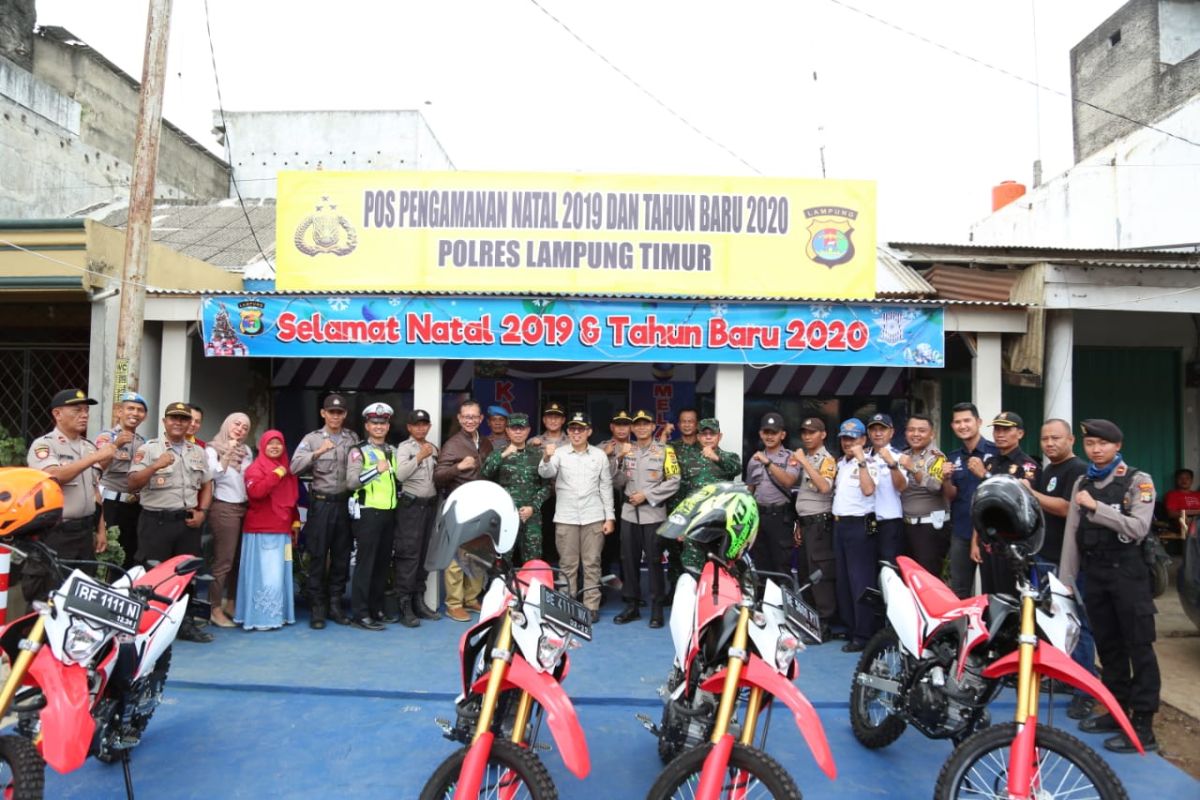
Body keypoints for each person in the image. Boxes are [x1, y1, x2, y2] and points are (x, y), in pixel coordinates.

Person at [1059, 419, 1161, 754]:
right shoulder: (1083, 482)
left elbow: (1139, 528)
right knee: (1109, 647)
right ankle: (1117, 712)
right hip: (1096, 575)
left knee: (1139, 648)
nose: (1096, 450)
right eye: (1090, 444)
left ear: (1118, 446)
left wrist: (1097, 507)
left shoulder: (1138, 481)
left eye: (1103, 444)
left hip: (1129, 576)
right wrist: (1066, 582)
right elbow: (1073, 533)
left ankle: (1143, 725)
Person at [127, 401, 214, 643]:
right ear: (164, 422)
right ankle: (149, 626)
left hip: (187, 524)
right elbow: (132, 483)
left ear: (189, 424)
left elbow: (207, 484)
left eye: (183, 419)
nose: (178, 423)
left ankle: (184, 624)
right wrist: (156, 465)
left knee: (186, 576)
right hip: (156, 522)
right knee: (152, 575)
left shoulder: (197, 452)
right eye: (173, 418)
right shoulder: (149, 449)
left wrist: (203, 511)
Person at [1027, 418, 1093, 719]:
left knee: (1078, 625)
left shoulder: (1077, 469)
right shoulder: (1049, 470)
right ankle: (1066, 676)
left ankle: (1085, 690)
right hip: (1045, 555)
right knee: (1056, 621)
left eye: (1056, 438)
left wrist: (1031, 493)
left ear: (1071, 440)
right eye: (1045, 439)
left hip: (1069, 562)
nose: (1050, 443)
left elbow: (1067, 508)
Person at [23, 389, 112, 601]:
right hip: (57, 533)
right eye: (77, 410)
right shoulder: (45, 445)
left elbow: (95, 490)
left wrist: (101, 529)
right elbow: (54, 476)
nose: (84, 415)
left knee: (80, 595)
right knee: (50, 593)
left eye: (86, 410)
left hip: (84, 532)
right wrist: (95, 458)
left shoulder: (88, 447)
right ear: (57, 414)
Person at [291, 393, 360, 629]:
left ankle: (335, 605)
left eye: (339, 412)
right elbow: (294, 467)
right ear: (323, 413)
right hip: (321, 504)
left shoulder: (352, 438)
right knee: (318, 556)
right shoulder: (311, 439)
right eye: (331, 412)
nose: (335, 416)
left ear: (345, 415)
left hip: (344, 504)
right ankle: (317, 608)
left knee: (342, 556)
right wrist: (318, 452)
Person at [538, 411, 616, 622]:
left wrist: (609, 517)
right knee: (567, 564)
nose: (576, 433)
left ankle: (591, 606)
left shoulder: (599, 455)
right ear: (568, 431)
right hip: (566, 517)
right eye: (573, 429)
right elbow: (546, 473)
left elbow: (605, 487)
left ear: (589, 431)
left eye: (581, 429)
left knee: (592, 563)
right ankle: (567, 603)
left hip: (593, 516)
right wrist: (546, 457)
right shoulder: (559, 453)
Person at [612, 410, 680, 627]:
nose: (641, 427)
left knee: (654, 561)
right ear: (632, 428)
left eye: (645, 424)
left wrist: (647, 495)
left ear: (652, 427)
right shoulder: (627, 450)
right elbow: (616, 482)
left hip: (653, 514)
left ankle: (657, 609)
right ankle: (631, 605)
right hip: (629, 514)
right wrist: (619, 459)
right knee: (628, 560)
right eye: (637, 424)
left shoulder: (665, 451)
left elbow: (674, 481)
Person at [435, 399, 494, 622]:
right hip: (459, 508)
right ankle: (454, 603)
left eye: (474, 417)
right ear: (460, 419)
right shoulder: (453, 444)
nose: (470, 420)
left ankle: (471, 597)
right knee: (456, 559)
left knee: (479, 554)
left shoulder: (486, 443)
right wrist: (458, 467)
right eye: (466, 417)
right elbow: (438, 477)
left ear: (481, 419)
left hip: (482, 507)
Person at [971, 412, 1041, 595]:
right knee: (989, 595)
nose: (1000, 434)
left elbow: (1018, 501)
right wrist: (975, 541)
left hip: (1013, 543)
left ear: (1020, 433)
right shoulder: (991, 462)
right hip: (989, 541)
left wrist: (985, 476)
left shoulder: (1027, 465)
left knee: (1010, 596)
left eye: (1006, 430)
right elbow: (982, 505)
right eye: (997, 429)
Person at [346, 402, 401, 631]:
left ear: (388, 426)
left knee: (382, 565)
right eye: (374, 423)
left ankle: (376, 608)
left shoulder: (392, 450)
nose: (379, 427)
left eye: (383, 423)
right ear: (367, 426)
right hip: (368, 513)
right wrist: (375, 470)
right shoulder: (358, 450)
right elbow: (351, 482)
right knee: (365, 565)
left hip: (389, 513)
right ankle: (360, 614)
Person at [236, 430, 299, 631]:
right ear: (262, 446)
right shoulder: (256, 468)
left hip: (282, 530)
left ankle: (278, 615)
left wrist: (295, 522)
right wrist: (276, 474)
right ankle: (261, 618)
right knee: (264, 576)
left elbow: (291, 500)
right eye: (270, 443)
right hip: (262, 530)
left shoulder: (287, 470)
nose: (274, 447)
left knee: (279, 575)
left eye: (278, 443)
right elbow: (256, 492)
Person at [943, 402, 998, 598]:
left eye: (967, 420)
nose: (962, 426)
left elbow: (1002, 489)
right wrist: (946, 478)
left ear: (978, 422)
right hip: (961, 531)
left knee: (993, 592)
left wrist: (984, 474)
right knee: (959, 591)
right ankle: (963, 621)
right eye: (957, 422)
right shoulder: (953, 457)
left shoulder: (996, 452)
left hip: (990, 532)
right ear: (952, 426)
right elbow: (951, 496)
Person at [831, 418, 878, 653]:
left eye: (853, 438)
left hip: (860, 525)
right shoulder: (841, 463)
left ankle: (863, 634)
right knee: (843, 580)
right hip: (840, 525)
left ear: (863, 439)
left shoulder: (870, 462)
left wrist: (861, 461)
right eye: (844, 438)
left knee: (861, 581)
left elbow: (868, 490)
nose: (848, 443)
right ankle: (850, 628)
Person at [789, 417, 839, 635]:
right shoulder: (807, 457)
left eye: (812, 432)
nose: (807, 436)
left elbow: (824, 487)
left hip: (820, 524)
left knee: (820, 574)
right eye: (804, 433)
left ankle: (825, 623)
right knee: (805, 573)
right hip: (806, 523)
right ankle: (811, 621)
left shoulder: (826, 459)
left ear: (823, 434)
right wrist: (799, 524)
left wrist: (804, 462)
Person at [481, 412, 551, 565]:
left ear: (528, 430)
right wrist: (504, 454)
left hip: (531, 516)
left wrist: (533, 507)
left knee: (533, 561)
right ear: (507, 430)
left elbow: (547, 487)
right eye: (514, 428)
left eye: (522, 428)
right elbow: (485, 474)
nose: (518, 432)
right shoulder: (498, 453)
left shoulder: (537, 455)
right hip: (505, 515)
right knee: (502, 560)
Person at [393, 409, 442, 623]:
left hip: (430, 507)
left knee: (424, 555)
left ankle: (418, 601)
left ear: (429, 426)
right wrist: (420, 457)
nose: (421, 428)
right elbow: (400, 475)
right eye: (416, 425)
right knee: (409, 555)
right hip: (411, 508)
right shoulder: (405, 448)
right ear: (409, 427)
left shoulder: (434, 448)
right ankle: (404, 604)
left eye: (424, 424)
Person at [205, 412, 253, 628]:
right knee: (223, 561)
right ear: (226, 424)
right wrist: (227, 453)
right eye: (236, 424)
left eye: (245, 427)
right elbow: (211, 475)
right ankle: (214, 608)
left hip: (244, 508)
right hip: (224, 508)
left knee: (237, 561)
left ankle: (230, 603)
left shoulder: (247, 451)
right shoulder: (213, 449)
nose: (240, 429)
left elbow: (249, 478)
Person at [677, 418, 743, 573]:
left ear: (719, 436)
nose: (708, 437)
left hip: (721, 525)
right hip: (694, 523)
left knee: (722, 569)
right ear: (698, 437)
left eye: (712, 434)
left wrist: (716, 458)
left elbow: (736, 469)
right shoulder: (687, 458)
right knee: (692, 568)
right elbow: (681, 493)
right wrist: (680, 525)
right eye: (704, 434)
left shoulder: (730, 457)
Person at [744, 412, 800, 577]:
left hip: (780, 518)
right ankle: (763, 594)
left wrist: (768, 463)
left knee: (781, 565)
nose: (769, 436)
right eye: (766, 432)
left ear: (782, 435)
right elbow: (750, 490)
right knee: (761, 565)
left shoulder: (791, 457)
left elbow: (788, 481)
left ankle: (782, 595)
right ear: (760, 434)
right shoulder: (754, 459)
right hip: (759, 517)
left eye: (774, 432)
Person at [96, 391, 147, 569]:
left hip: (134, 506)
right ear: (119, 412)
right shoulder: (106, 437)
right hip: (110, 505)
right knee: (108, 556)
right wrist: (115, 444)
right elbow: (97, 467)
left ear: (145, 416)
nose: (135, 413)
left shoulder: (143, 442)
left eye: (140, 410)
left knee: (129, 555)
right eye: (130, 408)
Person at [898, 414, 950, 575]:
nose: (915, 434)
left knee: (928, 577)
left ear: (932, 434)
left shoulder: (937, 457)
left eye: (921, 430)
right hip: (906, 525)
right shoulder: (903, 455)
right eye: (911, 430)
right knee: (908, 577)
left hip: (929, 527)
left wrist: (913, 468)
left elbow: (935, 486)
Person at [657, 409, 700, 593]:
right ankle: (674, 592)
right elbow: (656, 459)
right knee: (674, 553)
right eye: (684, 421)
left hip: (698, 511)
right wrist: (664, 436)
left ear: (696, 424)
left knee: (697, 553)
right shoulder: (671, 447)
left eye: (691, 421)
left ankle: (696, 593)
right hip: (675, 509)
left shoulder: (704, 447)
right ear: (679, 424)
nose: (687, 424)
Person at [866, 413, 908, 564]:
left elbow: (902, 487)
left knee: (889, 568)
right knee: (869, 568)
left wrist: (892, 464)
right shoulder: (863, 456)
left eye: (882, 429)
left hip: (889, 522)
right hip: (866, 521)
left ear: (891, 432)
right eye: (873, 429)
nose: (877, 433)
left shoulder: (899, 456)